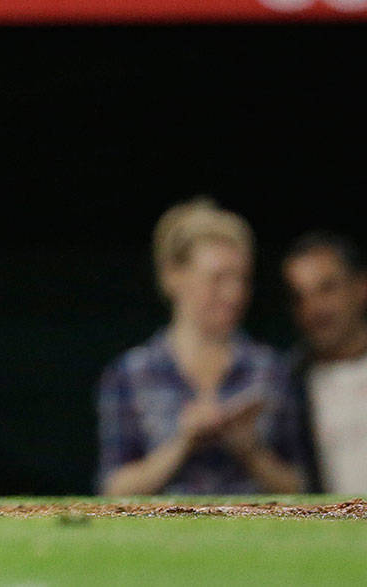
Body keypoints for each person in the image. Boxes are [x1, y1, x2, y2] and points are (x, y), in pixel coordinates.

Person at [98, 198, 306, 496]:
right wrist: (184, 442)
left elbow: (301, 489)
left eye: (242, 279)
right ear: (173, 276)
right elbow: (113, 491)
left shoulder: (271, 370)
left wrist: (249, 450)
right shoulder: (131, 374)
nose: (234, 294)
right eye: (218, 278)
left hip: (255, 538)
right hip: (162, 539)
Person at [283, 232, 367, 494]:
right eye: (300, 296)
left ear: (361, 287)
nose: (314, 308)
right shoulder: (291, 382)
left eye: (327, 288)